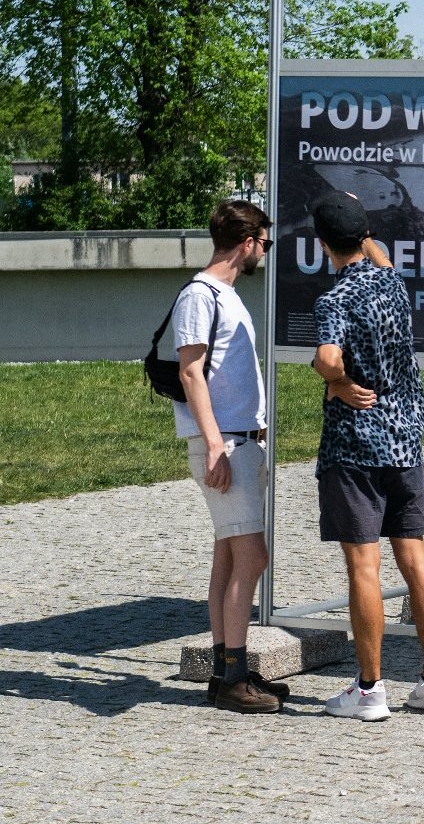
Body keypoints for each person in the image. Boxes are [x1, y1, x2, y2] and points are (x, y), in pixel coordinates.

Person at [308, 190, 424, 721]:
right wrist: (364, 227)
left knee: (363, 566)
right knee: (414, 555)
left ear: (321, 244)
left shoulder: (335, 300)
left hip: (356, 446)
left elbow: (326, 357)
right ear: (363, 238)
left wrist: (340, 382)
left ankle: (370, 690)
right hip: (404, 439)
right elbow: (382, 254)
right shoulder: (391, 280)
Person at [172, 199, 286, 714]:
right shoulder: (199, 296)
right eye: (264, 241)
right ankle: (235, 675)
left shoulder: (226, 295)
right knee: (253, 556)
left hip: (241, 440)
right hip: (226, 444)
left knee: (229, 554)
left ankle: (226, 670)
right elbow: (190, 373)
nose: (265, 249)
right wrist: (216, 442)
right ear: (247, 242)